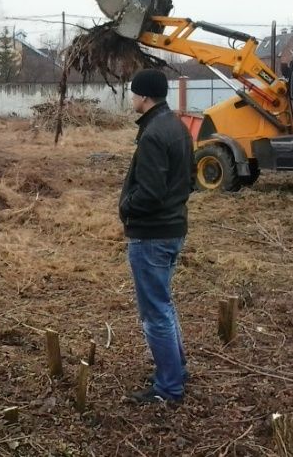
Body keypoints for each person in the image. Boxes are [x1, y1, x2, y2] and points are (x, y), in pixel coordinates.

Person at [119, 68, 193, 404]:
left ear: (144, 96)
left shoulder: (152, 134)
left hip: (152, 235)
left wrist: (127, 207)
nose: (132, 98)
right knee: (164, 305)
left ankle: (168, 388)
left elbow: (149, 192)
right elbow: (189, 180)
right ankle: (176, 371)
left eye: (134, 93)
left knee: (155, 314)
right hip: (173, 227)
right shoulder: (177, 127)